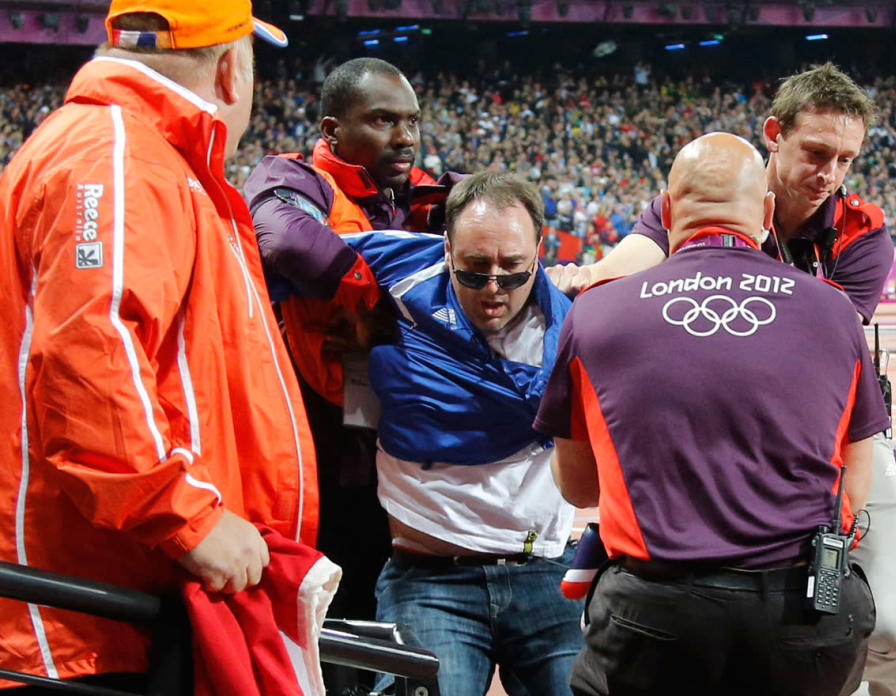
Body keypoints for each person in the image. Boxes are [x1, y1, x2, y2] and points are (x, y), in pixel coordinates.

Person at [549, 63, 896, 696]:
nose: (829, 175)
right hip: (715, 411)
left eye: (845, 160)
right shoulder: (708, 191)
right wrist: (583, 280)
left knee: (892, 623)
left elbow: (807, 342)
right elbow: (628, 265)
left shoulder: (864, 232)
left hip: (827, 423)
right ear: (774, 134)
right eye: (815, 153)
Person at [0, 0, 320, 691]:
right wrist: (189, 518)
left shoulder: (118, 149)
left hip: (111, 597)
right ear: (233, 68)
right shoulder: (116, 153)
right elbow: (89, 353)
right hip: (93, 615)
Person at [334, 171, 584, 696]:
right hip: (429, 579)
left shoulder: (575, 315)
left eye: (513, 269)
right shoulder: (400, 266)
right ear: (446, 248)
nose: (494, 288)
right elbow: (279, 243)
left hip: (547, 571)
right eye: (474, 270)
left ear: (539, 249)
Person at [243, 57, 456, 623]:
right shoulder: (291, 178)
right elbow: (286, 241)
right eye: (384, 120)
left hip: (409, 442)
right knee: (323, 603)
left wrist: (385, 319)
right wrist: (377, 299)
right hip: (318, 440)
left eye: (412, 121)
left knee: (397, 610)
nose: (405, 137)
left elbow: (504, 239)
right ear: (333, 130)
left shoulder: (433, 195)